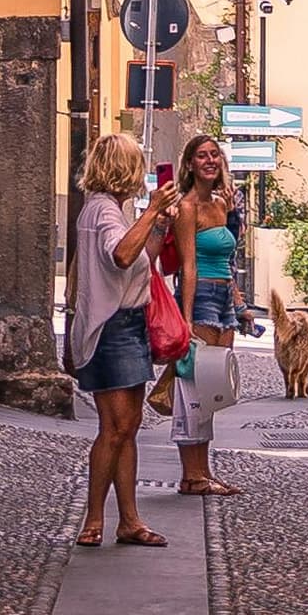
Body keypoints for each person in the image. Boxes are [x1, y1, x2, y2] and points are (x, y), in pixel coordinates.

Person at [67, 130, 180, 549]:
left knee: (128, 427)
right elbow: (121, 255)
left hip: (127, 324)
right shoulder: (103, 212)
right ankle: (94, 517)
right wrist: (152, 212)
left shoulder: (112, 210)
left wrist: (156, 226)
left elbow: (139, 261)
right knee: (114, 428)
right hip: (112, 327)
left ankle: (128, 519)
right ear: (124, 169)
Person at [167, 133, 246, 497]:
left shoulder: (221, 204)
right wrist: (184, 321)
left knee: (214, 390)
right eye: (202, 155)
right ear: (190, 164)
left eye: (215, 154)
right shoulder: (186, 208)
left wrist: (238, 303)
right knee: (192, 389)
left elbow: (229, 257)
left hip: (223, 297)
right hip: (199, 299)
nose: (210, 161)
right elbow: (188, 266)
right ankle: (192, 475)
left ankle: (203, 471)